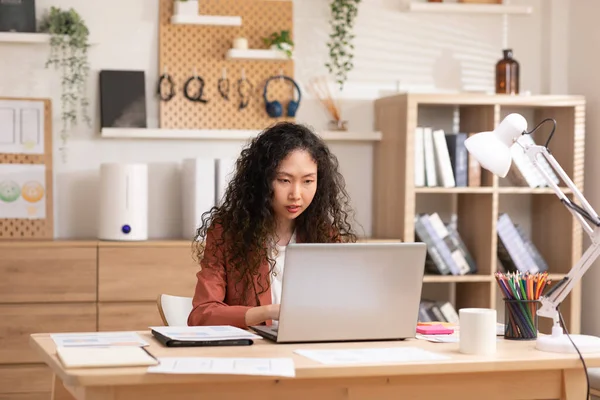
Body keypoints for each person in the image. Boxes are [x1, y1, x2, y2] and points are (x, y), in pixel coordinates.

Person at [187, 122, 358, 328]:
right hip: (253, 355)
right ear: (263, 180)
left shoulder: (324, 235)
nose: (296, 194)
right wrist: (268, 312)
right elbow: (202, 314)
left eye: (307, 181)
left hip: (307, 350)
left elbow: (344, 306)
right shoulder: (228, 233)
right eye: (284, 180)